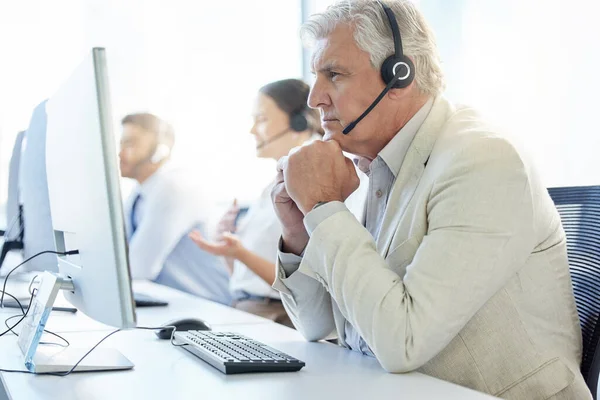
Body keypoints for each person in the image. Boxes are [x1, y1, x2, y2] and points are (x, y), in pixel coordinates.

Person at [270, 1, 590, 399]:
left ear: (399, 75)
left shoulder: (481, 160)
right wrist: (298, 229)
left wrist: (324, 206)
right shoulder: (385, 163)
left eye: (333, 74)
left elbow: (403, 342)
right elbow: (319, 325)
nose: (315, 98)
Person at [189, 79, 334, 327]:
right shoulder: (278, 179)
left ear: (298, 121)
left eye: (262, 119)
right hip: (248, 308)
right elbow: (245, 281)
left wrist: (241, 253)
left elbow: (307, 283)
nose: (253, 130)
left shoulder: (313, 176)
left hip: (279, 316)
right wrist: (230, 250)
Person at [119, 113, 231, 304]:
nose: (120, 153)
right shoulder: (139, 193)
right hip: (170, 301)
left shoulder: (172, 189)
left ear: (160, 151)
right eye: (121, 143)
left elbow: (138, 268)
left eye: (130, 144)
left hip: (208, 307)